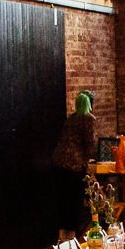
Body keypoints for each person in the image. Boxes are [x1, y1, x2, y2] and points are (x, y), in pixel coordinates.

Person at [52, 89, 99, 235]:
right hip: (75, 166)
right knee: (75, 201)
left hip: (59, 164)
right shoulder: (88, 118)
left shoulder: (71, 118)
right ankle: (72, 235)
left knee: (63, 200)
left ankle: (62, 234)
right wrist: (92, 157)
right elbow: (89, 143)